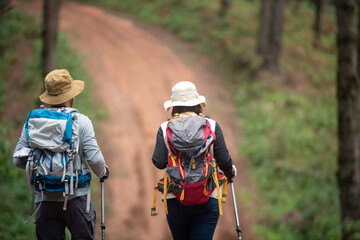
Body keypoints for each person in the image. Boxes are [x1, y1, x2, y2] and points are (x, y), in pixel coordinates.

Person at [13, 69, 109, 240]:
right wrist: (103, 172)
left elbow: (17, 160)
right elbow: (95, 159)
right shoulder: (82, 122)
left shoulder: (33, 122)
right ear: (71, 97)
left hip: (44, 200)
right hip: (76, 200)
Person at [152, 81, 237, 240]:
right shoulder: (211, 125)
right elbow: (224, 161)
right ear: (198, 104)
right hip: (208, 195)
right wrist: (230, 171)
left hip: (176, 197)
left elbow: (158, 162)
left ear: (174, 106)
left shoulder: (165, 128)